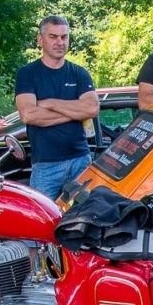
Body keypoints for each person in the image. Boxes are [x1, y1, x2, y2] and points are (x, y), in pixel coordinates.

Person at [15, 15, 98, 201]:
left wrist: (50, 103)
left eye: (64, 37)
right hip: (46, 166)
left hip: (80, 160)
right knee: (42, 217)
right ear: (40, 39)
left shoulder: (79, 73)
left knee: (85, 215)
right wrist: (75, 112)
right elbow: (29, 115)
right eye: (53, 37)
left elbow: (92, 109)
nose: (60, 42)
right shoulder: (27, 74)